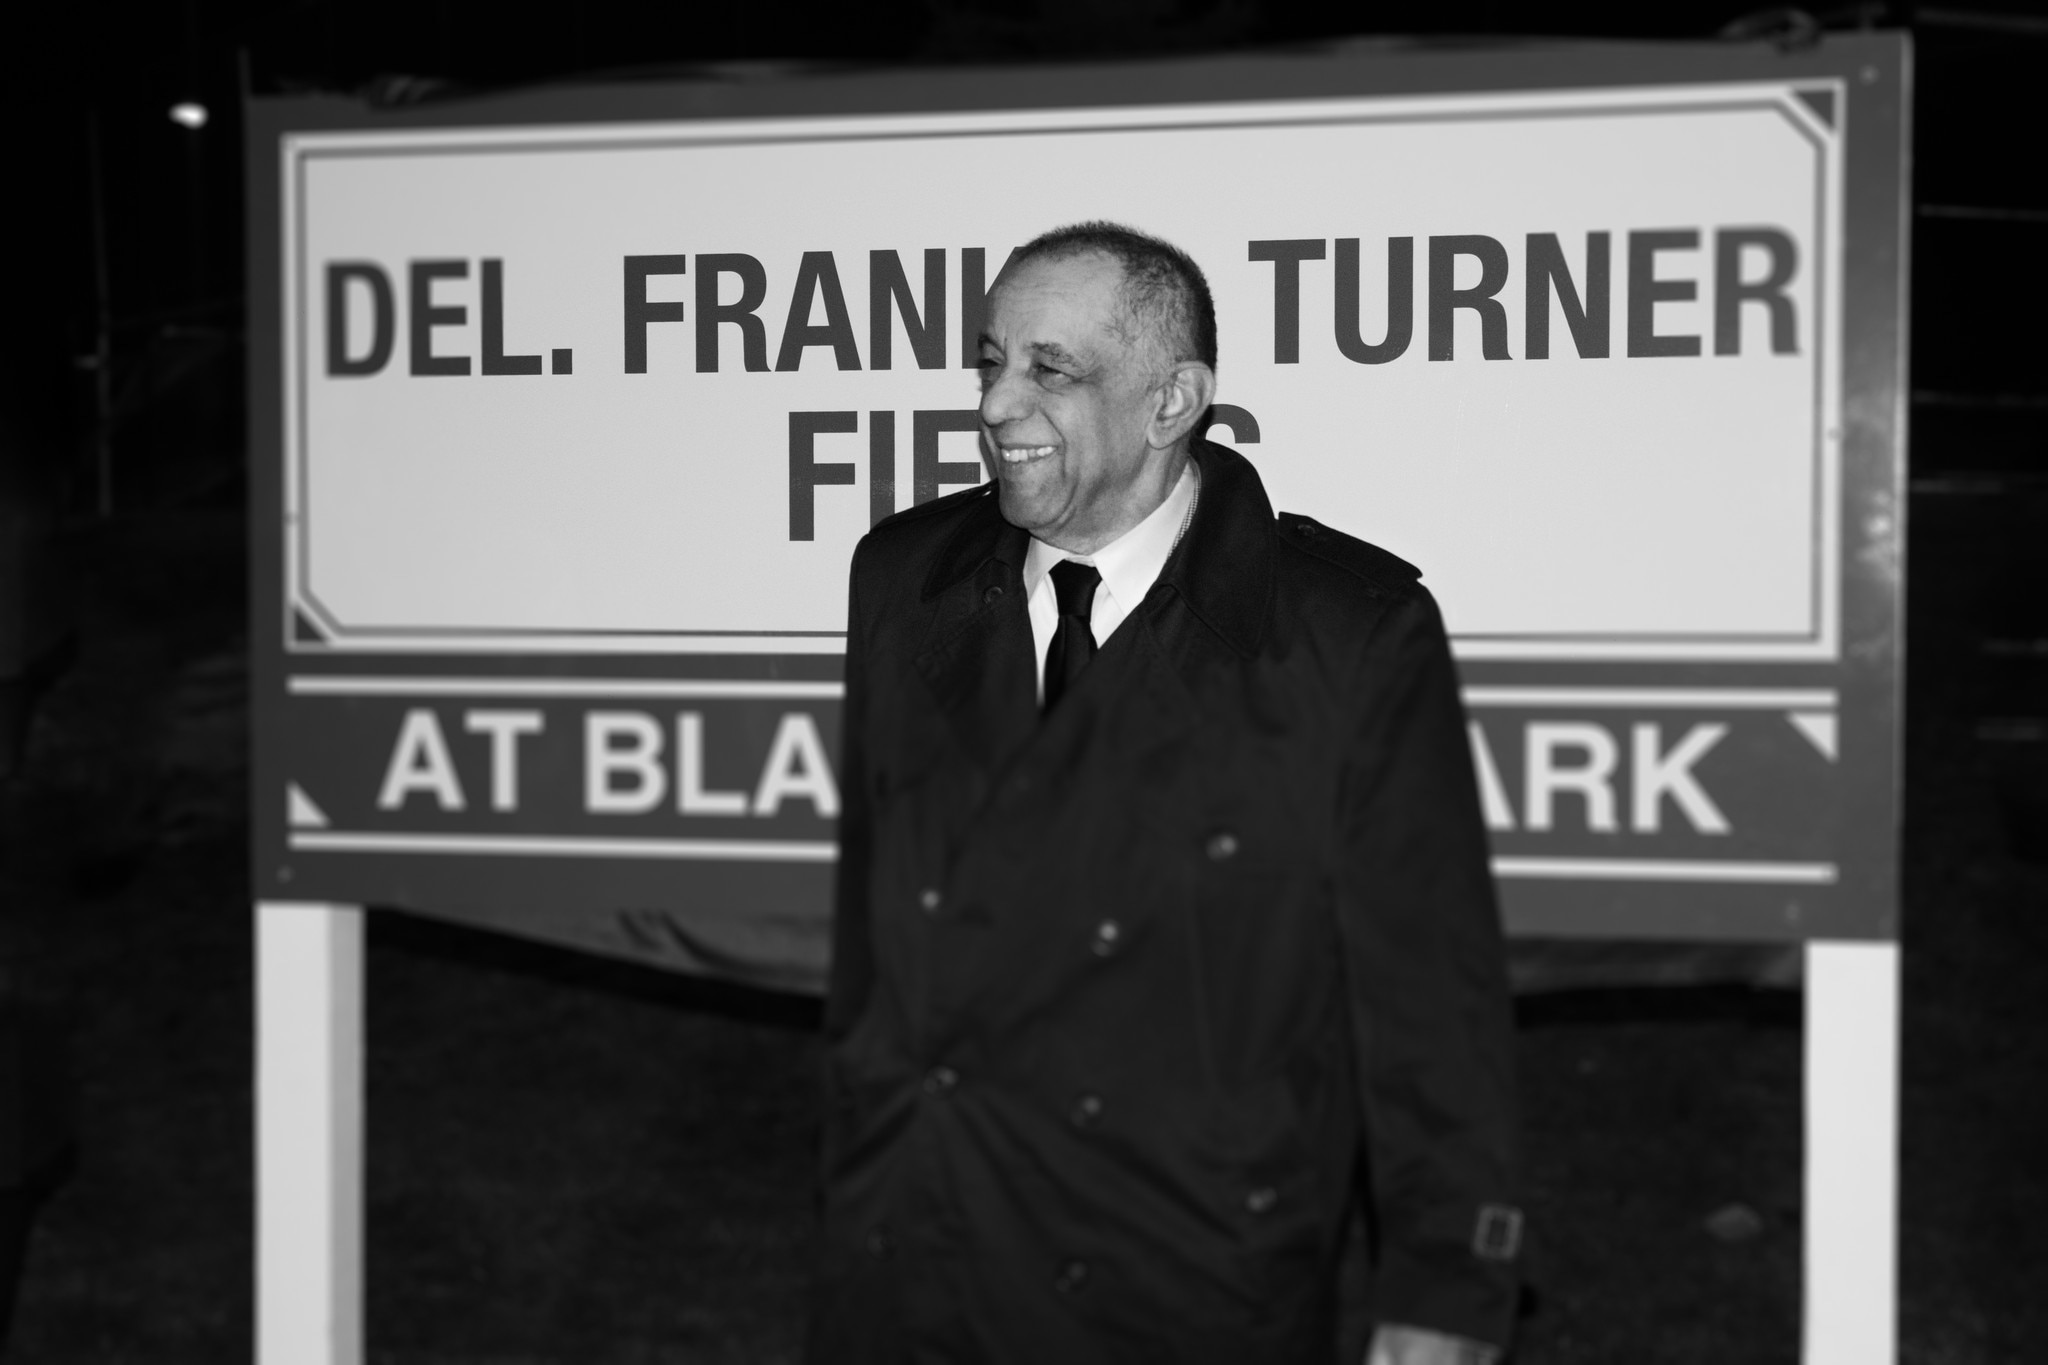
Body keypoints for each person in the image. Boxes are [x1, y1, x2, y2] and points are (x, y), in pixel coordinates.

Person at [813, 222, 1522, 1365]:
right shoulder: (902, 577)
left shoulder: (1346, 635)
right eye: (989, 362)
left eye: (1048, 370)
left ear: (1170, 400)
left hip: (1180, 1266)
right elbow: (876, 929)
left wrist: (1445, 1286)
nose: (996, 404)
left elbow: (1426, 992)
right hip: (923, 1244)